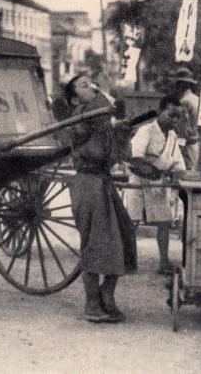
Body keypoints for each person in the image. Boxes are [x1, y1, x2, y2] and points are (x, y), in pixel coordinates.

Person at [64, 74, 137, 324]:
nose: (92, 86)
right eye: (84, 85)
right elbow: (89, 125)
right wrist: (109, 99)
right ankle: (91, 302)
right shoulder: (80, 118)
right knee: (94, 242)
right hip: (86, 183)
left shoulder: (101, 116)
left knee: (125, 233)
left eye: (92, 82)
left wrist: (124, 131)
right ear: (74, 99)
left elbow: (119, 153)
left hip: (103, 181)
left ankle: (107, 292)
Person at [124, 94, 186, 275]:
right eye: (171, 115)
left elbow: (177, 163)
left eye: (177, 117)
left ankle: (164, 262)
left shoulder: (173, 136)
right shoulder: (146, 130)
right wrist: (152, 171)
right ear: (160, 112)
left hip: (157, 183)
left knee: (164, 222)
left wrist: (178, 175)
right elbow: (135, 157)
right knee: (132, 221)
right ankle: (127, 260)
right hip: (139, 178)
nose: (174, 120)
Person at [169, 67, 200, 171]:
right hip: (196, 142)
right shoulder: (197, 99)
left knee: (185, 172)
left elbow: (183, 127)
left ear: (182, 85)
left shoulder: (184, 101)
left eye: (178, 84)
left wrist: (179, 147)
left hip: (186, 144)